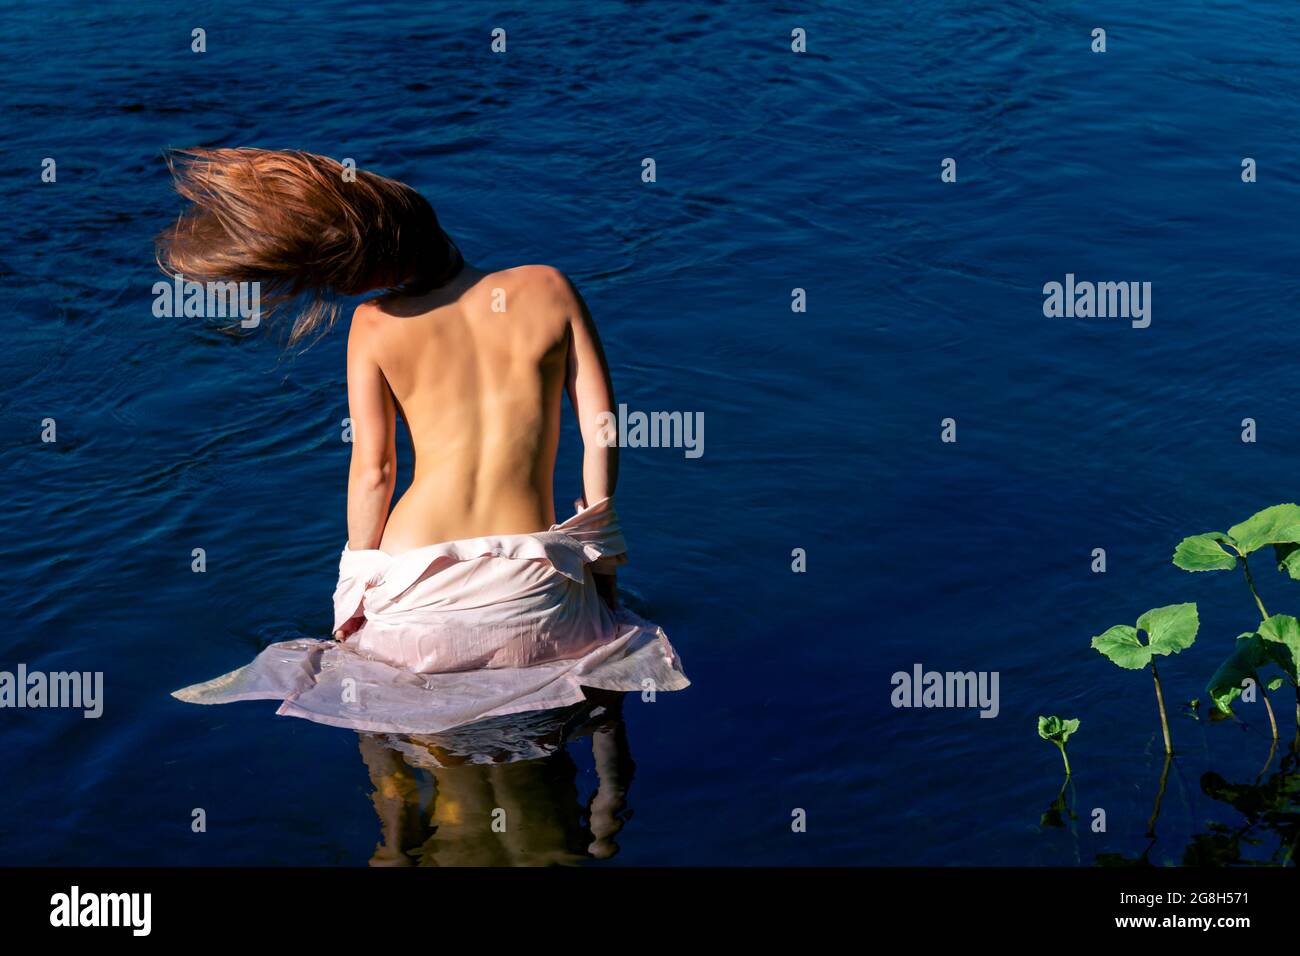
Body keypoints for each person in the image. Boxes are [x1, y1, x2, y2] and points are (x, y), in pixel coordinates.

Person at [162, 148, 688, 734]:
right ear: (427, 221)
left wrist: (352, 602)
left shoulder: (374, 326)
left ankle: (397, 819)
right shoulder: (548, 287)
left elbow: (375, 471)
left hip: (414, 596)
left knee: (419, 755)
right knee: (547, 764)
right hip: (533, 591)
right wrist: (601, 562)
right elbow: (600, 430)